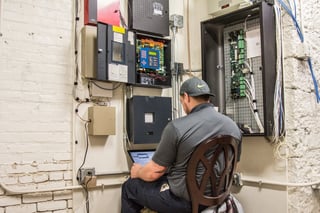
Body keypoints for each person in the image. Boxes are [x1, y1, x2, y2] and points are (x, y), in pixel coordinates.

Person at [121, 77, 242, 213]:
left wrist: (137, 171)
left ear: (186, 97)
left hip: (184, 202)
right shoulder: (233, 127)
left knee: (129, 187)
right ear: (208, 98)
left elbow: (153, 173)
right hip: (218, 197)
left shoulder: (177, 127)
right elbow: (233, 166)